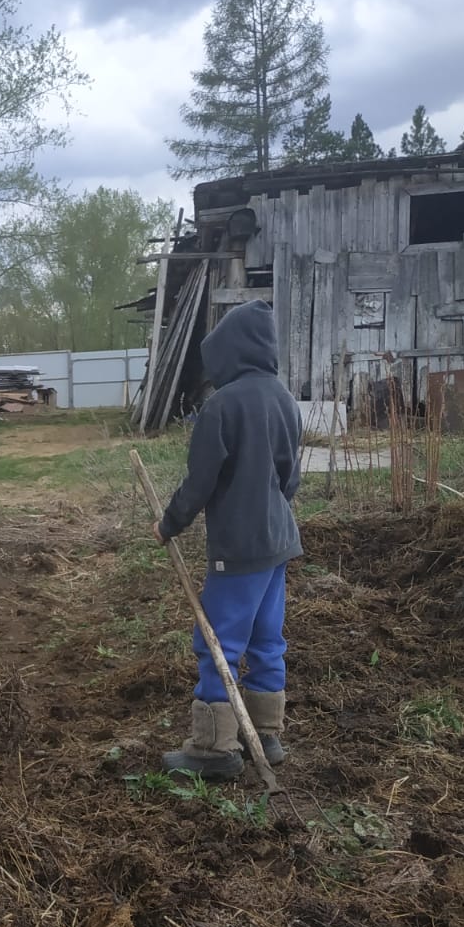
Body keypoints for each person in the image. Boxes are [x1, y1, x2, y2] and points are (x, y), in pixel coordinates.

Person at [153, 299, 302, 778]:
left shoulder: (222, 405)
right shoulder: (283, 398)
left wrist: (168, 523)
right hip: (278, 541)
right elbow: (289, 476)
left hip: (239, 550)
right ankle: (266, 733)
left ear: (230, 353)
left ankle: (214, 749)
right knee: (266, 637)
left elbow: (201, 481)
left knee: (218, 639)